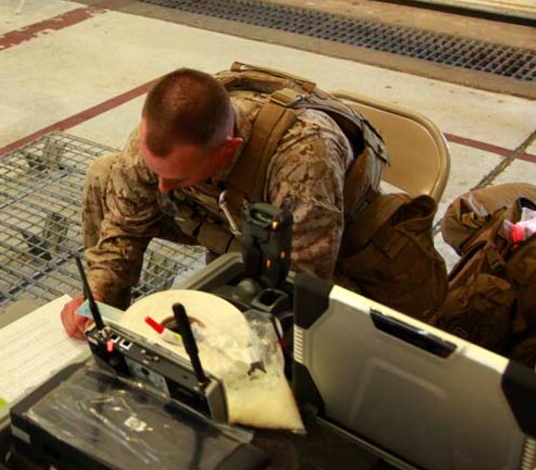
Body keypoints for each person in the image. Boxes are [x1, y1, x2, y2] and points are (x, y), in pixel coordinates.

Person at [61, 67, 365, 338]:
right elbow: (124, 227)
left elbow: (297, 282)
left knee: (322, 325)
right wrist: (98, 293)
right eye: (159, 173)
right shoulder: (158, 137)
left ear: (227, 149)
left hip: (298, 237)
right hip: (220, 212)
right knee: (105, 172)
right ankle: (107, 327)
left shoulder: (305, 159)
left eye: (179, 177)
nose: (164, 187)